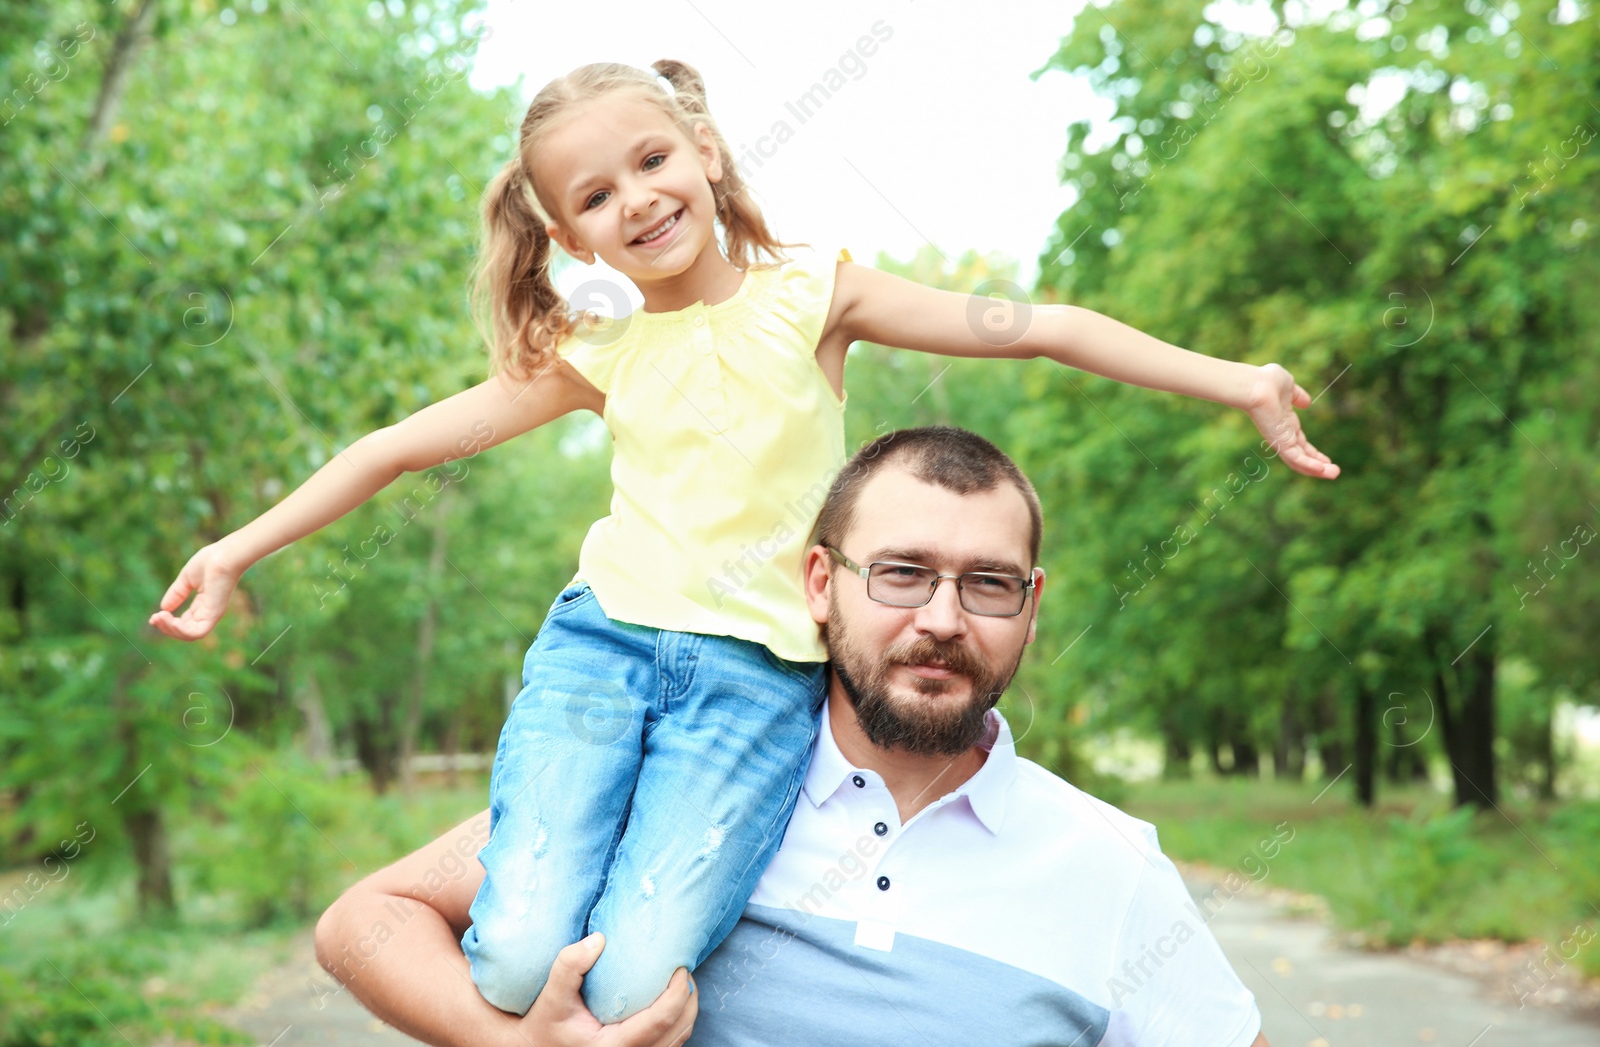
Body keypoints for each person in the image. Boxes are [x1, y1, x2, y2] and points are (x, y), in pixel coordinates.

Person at [150, 56, 1337, 1025]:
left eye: (652, 160)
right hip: (601, 654)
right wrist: (237, 549)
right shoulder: (596, 355)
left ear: (704, 153)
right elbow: (394, 446)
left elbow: (1041, 328)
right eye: (597, 197)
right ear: (570, 236)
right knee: (512, 965)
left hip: (751, 680)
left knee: (629, 989)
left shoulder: (814, 295)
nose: (640, 200)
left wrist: (1236, 380)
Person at [315, 425, 1273, 1046]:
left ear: (1031, 605)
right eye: (901, 572)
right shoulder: (689, 790)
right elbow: (365, 921)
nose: (942, 617)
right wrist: (514, 1044)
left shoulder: (1106, 865)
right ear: (820, 582)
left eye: (988, 583)